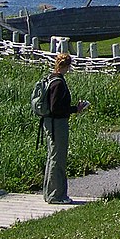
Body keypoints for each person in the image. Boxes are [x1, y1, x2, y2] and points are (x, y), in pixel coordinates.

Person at [43, 52, 89, 204]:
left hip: (50, 124)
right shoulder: (58, 83)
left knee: (53, 157)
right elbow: (56, 107)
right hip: (58, 125)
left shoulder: (51, 78)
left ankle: (49, 193)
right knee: (58, 159)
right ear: (66, 66)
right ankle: (57, 195)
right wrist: (75, 109)